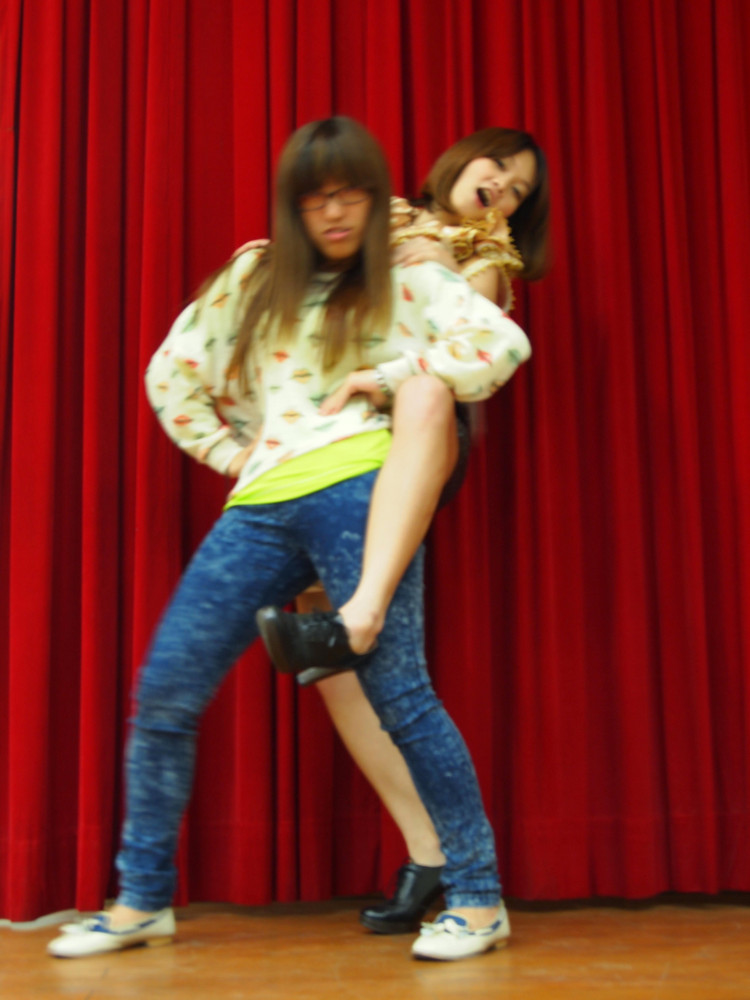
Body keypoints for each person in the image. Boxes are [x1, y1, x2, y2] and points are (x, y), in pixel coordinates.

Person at [46, 115, 531, 962]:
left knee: (400, 694)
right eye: (316, 198)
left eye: (351, 195)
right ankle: (140, 901)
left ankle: (479, 900)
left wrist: (390, 375)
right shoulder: (256, 273)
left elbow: (500, 342)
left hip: (361, 490)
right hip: (260, 504)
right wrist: (233, 454)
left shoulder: (409, 272)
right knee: (165, 691)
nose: (335, 213)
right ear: (292, 205)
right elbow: (171, 373)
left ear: (376, 199)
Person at [256, 128, 550, 933]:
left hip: (407, 436)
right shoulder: (377, 211)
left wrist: (448, 262)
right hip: (328, 434)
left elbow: (462, 347)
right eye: (498, 168)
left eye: (519, 191)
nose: (502, 188)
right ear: (464, 159)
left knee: (372, 649)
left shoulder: (485, 260)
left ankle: (451, 864)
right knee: (334, 655)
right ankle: (427, 848)